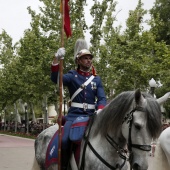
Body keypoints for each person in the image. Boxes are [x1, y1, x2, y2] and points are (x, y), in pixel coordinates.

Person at [51, 38, 107, 169]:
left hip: (92, 116)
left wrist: (100, 110)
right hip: (73, 116)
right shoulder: (72, 76)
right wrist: (56, 60)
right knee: (64, 141)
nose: (89, 60)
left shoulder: (96, 79)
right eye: (85, 58)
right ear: (78, 61)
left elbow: (102, 98)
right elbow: (56, 79)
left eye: (90, 58)